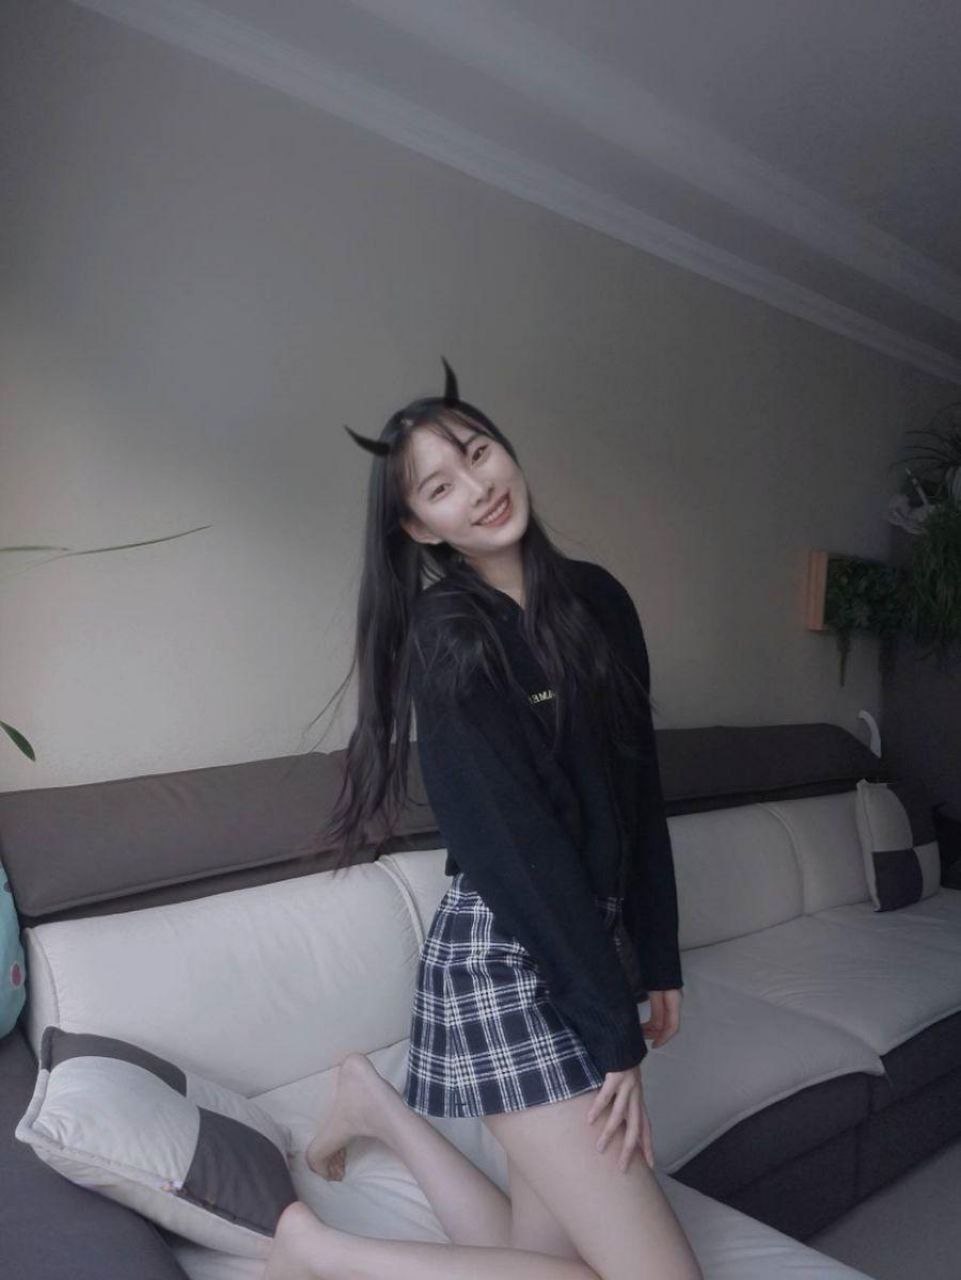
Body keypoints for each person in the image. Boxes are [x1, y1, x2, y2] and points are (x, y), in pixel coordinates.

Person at [266, 359, 703, 1280]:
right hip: (504, 954)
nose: (476, 487)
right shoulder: (448, 633)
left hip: (581, 943)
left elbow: (637, 788)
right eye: (439, 487)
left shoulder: (599, 599)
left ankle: (378, 1110)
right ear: (421, 527)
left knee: (533, 1255)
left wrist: (657, 955)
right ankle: (315, 1248)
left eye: (477, 453)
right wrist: (612, 1035)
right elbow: (516, 850)